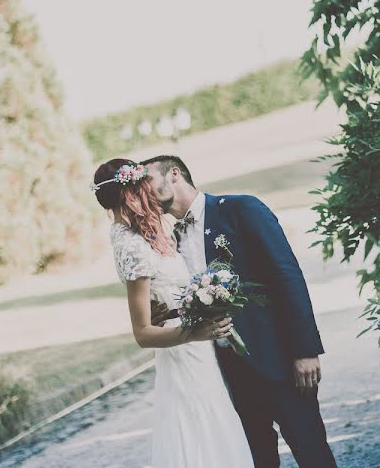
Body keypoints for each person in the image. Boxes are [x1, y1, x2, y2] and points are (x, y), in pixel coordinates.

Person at [144, 155, 337, 468]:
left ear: (174, 174)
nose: (144, 193)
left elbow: (286, 275)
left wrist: (305, 350)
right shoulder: (169, 243)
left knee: (311, 449)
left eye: (148, 182)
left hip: (277, 360)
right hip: (222, 373)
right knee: (255, 458)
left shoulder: (241, 209)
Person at [91, 158, 254, 468]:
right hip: (183, 352)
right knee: (199, 428)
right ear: (132, 193)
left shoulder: (142, 234)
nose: (151, 192)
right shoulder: (131, 246)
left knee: (214, 423)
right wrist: (195, 332)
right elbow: (142, 333)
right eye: (143, 186)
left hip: (197, 348)